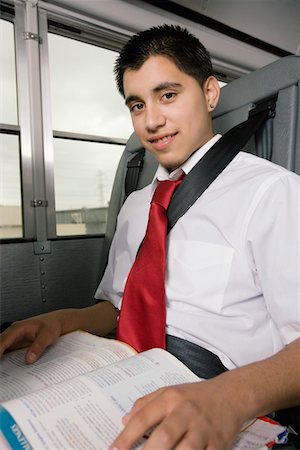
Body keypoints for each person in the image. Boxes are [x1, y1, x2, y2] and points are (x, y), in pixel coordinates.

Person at [1, 24, 299, 450]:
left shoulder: (272, 193)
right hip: (122, 373)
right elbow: (117, 307)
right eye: (137, 105)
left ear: (210, 93)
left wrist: (230, 398)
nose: (152, 121)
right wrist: (65, 321)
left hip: (218, 391)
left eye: (169, 95)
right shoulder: (137, 205)